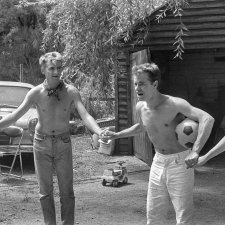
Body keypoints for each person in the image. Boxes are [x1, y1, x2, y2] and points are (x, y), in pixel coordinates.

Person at [0, 51, 105, 225]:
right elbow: (15, 116)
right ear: (43, 69)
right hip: (41, 143)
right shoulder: (35, 93)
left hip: (63, 144)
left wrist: (99, 132)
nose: (56, 72)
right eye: (51, 68)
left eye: (59, 68)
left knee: (67, 192)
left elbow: (85, 115)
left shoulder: (71, 92)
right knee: (45, 192)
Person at [104, 62, 214, 225]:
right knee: (153, 215)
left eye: (142, 84)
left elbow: (207, 119)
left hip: (180, 163)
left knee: (183, 217)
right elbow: (142, 127)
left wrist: (195, 151)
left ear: (154, 84)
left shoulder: (175, 104)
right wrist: (116, 135)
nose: (137, 88)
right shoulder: (141, 106)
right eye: (135, 84)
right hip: (158, 162)